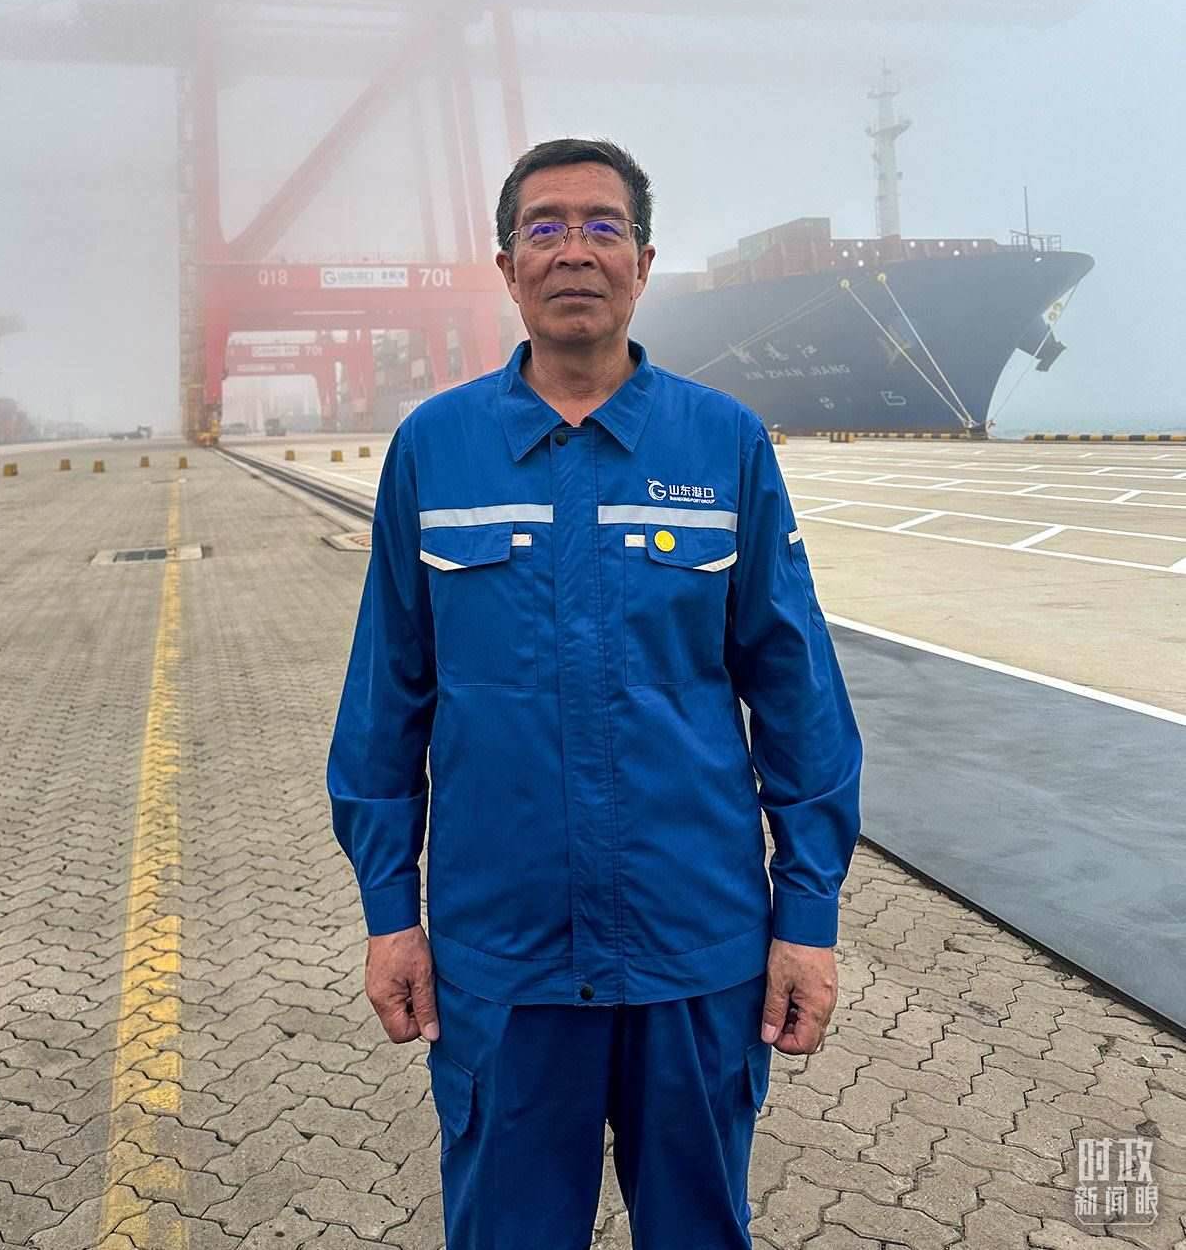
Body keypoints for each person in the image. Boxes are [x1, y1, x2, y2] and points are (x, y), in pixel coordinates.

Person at [327, 137, 863, 1250]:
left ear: (644, 262)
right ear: (507, 266)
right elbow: (386, 704)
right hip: (503, 964)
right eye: (546, 227)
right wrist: (390, 916)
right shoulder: (434, 450)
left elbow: (798, 699)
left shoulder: (724, 445)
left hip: (696, 954)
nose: (574, 250)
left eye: (603, 227)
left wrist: (806, 919)